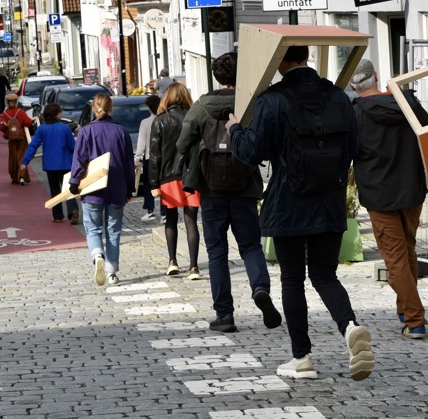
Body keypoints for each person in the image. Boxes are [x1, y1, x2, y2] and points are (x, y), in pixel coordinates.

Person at [228, 45, 373, 382]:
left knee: (292, 278)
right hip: (330, 200)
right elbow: (354, 148)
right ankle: (349, 326)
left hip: (288, 202)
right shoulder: (338, 96)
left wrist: (235, 129)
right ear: (307, 55)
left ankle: (302, 357)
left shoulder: (272, 99)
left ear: (279, 60)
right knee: (325, 275)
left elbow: (251, 152)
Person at [178, 52, 282, 333]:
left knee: (216, 252)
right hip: (245, 185)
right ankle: (260, 286)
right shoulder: (251, 102)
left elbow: (182, 140)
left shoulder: (203, 105)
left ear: (217, 77)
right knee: (249, 245)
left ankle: (225, 315)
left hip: (211, 189)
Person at [350, 58, 428, 339]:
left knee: (395, 259)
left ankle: (415, 319)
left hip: (378, 193)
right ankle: (405, 309)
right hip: (411, 188)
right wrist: (402, 94)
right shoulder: (403, 101)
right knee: (406, 250)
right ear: (375, 76)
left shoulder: (355, 113)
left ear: (352, 85)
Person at [71, 93, 135, 287]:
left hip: (92, 188)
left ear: (93, 109)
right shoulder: (121, 132)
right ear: (111, 108)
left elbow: (80, 159)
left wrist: (74, 182)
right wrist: (130, 189)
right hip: (116, 187)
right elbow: (128, 163)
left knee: (93, 228)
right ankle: (111, 272)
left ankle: (98, 254)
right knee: (114, 230)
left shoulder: (86, 132)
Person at [149, 82, 201, 280]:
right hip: (191, 176)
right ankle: (194, 267)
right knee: (191, 221)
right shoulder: (193, 118)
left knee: (170, 219)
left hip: (168, 177)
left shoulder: (160, 121)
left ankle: (172, 261)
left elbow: (155, 156)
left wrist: (153, 183)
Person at [23, 102, 78, 224]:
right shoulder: (65, 128)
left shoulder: (42, 129)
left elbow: (33, 145)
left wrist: (25, 161)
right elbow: (73, 146)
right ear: (57, 114)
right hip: (65, 163)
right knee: (68, 188)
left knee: (55, 190)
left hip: (50, 165)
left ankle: (58, 215)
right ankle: (72, 210)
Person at [135, 94, 161, 222]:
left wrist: (137, 157)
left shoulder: (145, 123)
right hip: (163, 158)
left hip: (149, 159)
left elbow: (142, 143)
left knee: (150, 186)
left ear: (149, 108)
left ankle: (151, 210)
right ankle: (165, 210)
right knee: (162, 185)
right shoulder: (163, 119)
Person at [0, 94, 35, 185]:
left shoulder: (5, 114)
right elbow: (28, 123)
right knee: (21, 157)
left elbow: (2, 128)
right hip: (22, 138)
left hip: (11, 139)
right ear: (16, 102)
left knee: (13, 158)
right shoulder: (21, 112)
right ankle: (22, 176)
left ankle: (15, 176)